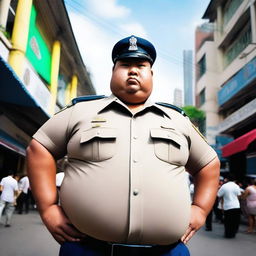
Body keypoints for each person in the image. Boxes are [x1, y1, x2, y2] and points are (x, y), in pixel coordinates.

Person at [26, 35, 220, 256]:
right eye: (125, 65)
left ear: (151, 74)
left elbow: (209, 164)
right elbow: (39, 148)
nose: (133, 71)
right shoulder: (79, 112)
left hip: (166, 252)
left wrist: (201, 209)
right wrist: (48, 208)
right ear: (113, 72)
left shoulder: (177, 120)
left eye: (141, 66)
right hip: (87, 249)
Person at [217, 173, 241, 238]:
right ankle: (233, 233)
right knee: (235, 221)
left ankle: (228, 234)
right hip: (236, 205)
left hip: (228, 206)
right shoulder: (236, 186)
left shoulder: (224, 186)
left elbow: (218, 195)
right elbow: (239, 195)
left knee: (228, 221)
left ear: (227, 179)